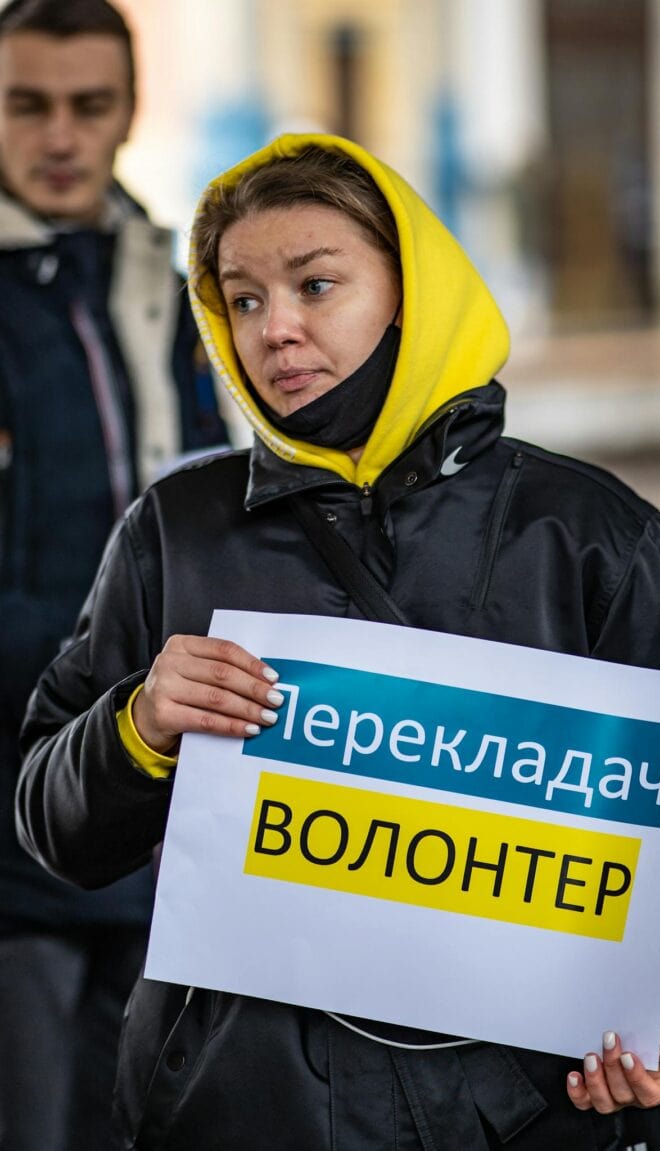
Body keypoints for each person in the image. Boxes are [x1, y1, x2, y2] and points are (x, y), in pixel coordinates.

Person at [16, 133, 660, 1151]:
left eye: (317, 285)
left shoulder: (588, 531)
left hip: (538, 1110)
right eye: (241, 299)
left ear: (412, 291)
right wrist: (135, 725)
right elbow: (51, 821)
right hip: (244, 1110)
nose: (274, 329)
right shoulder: (173, 531)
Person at [0, 0, 228, 1147]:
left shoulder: (171, 282)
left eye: (90, 106)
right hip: (13, 832)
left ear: (130, 111)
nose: (60, 136)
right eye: (26, 104)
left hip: (158, 808)